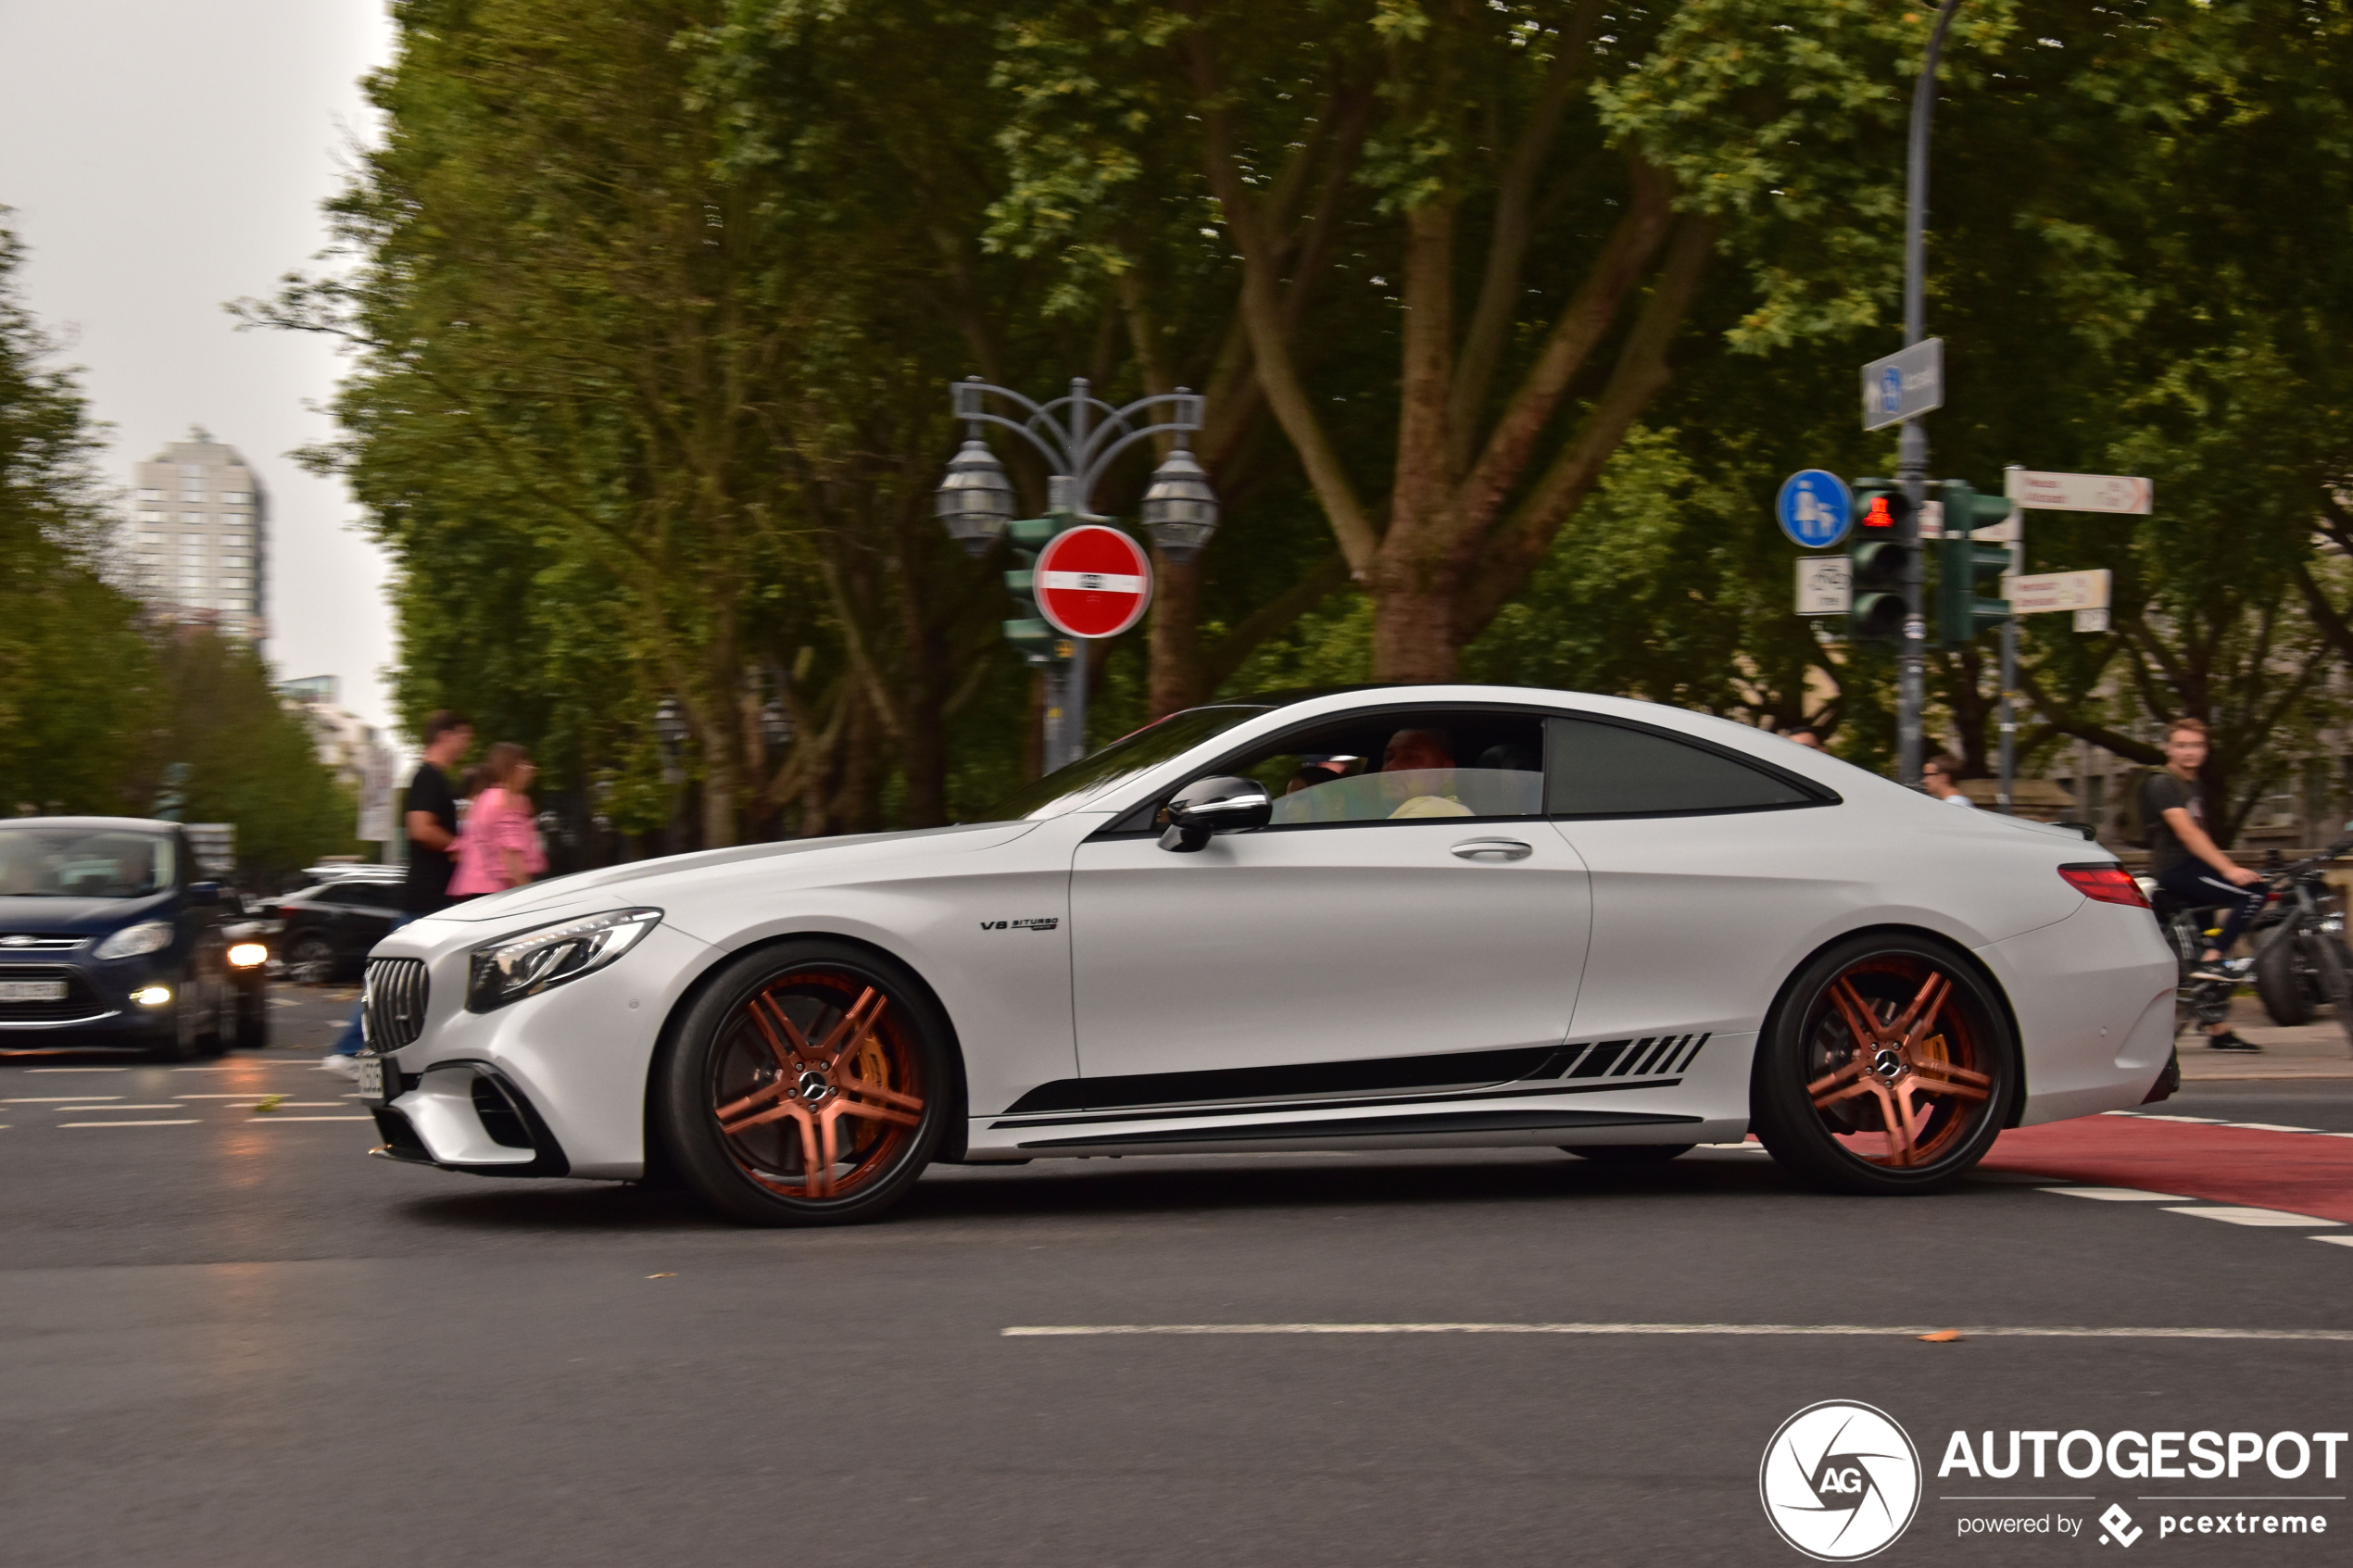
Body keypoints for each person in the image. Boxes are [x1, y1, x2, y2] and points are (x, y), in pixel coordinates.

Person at [321, 710, 473, 1076]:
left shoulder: (435, 780)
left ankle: (396, 1052)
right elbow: (420, 828)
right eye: (463, 736)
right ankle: (345, 1050)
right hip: (426, 898)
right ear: (445, 735)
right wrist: (458, 846)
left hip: (435, 898)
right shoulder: (426, 778)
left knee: (409, 979)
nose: (466, 744)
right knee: (392, 979)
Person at [2145, 717, 2266, 1052]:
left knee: (2195, 959)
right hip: (2178, 870)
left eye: (2196, 745)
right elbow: (2186, 833)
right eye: (2181, 745)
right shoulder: (2163, 783)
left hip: (2192, 870)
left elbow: (2202, 833)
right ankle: (2216, 959)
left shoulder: (2193, 785)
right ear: (2168, 748)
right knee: (2255, 893)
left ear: (2205, 750)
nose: (2189, 752)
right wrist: (2228, 870)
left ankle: (2217, 1030)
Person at [447, 743, 546, 897]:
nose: (531, 769)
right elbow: (512, 859)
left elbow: (458, 852)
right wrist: (533, 898)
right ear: (509, 767)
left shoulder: (483, 799)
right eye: (524, 763)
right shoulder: (508, 801)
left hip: (473, 891)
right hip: (499, 894)